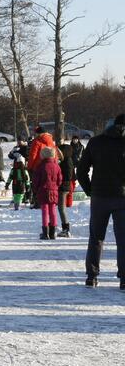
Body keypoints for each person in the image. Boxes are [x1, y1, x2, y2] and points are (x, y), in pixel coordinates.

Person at [76, 113, 125, 290]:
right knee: (123, 240)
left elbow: (80, 171)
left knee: (96, 237)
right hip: (122, 198)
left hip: (99, 197)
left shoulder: (95, 142)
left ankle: (92, 276)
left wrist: (90, 190)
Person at [33, 146, 62, 240]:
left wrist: (36, 189)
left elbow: (36, 180)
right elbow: (60, 179)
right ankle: (53, 233)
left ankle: (45, 233)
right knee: (53, 211)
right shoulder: (57, 166)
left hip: (43, 190)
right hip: (54, 190)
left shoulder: (41, 166)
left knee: (45, 211)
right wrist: (56, 186)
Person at [28, 126, 57, 208]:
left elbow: (33, 155)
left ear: (38, 133)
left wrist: (29, 166)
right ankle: (49, 201)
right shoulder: (51, 140)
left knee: (37, 185)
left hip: (38, 166)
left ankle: (38, 203)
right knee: (48, 184)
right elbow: (55, 154)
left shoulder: (37, 141)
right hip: (51, 165)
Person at [56, 139, 75, 238]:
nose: (58, 154)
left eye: (59, 152)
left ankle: (66, 229)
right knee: (60, 208)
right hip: (63, 186)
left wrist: (59, 178)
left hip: (64, 187)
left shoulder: (67, 161)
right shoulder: (64, 161)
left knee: (61, 208)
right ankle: (63, 227)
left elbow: (68, 176)